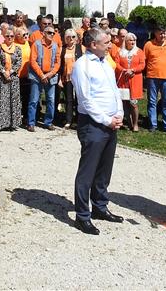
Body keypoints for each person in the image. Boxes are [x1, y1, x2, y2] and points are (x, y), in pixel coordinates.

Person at [71, 28, 125, 235]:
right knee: (88, 171)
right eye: (106, 42)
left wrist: (118, 113)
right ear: (93, 45)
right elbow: (85, 100)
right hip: (93, 124)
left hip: (111, 121)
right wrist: (106, 120)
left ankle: (100, 207)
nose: (110, 44)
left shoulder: (106, 63)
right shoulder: (82, 66)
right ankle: (82, 215)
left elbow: (114, 91)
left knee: (104, 169)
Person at [143, 25, 166, 132]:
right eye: (160, 33)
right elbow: (144, 60)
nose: (163, 35)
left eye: (164, 33)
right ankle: (153, 124)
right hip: (152, 77)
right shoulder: (148, 45)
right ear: (155, 33)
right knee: (152, 101)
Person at [27, 25, 61, 131]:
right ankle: (31, 123)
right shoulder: (36, 44)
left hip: (50, 76)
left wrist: (49, 74)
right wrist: (41, 75)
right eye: (49, 32)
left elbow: (57, 63)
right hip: (37, 76)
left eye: (53, 33)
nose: (52, 35)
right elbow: (32, 61)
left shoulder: (55, 46)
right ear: (44, 33)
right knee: (34, 100)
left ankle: (48, 122)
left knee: (51, 100)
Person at [0, 28, 23, 131]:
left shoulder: (17, 49)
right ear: (4, 36)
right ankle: (0, 124)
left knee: (13, 100)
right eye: (7, 36)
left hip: (13, 78)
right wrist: (4, 72)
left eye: (12, 36)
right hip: (2, 77)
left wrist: (11, 71)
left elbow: (19, 62)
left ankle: (12, 124)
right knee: (2, 101)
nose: (10, 38)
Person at [116, 33, 145, 131]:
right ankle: (129, 122)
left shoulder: (139, 52)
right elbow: (117, 63)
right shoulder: (120, 52)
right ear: (126, 42)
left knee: (133, 103)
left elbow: (142, 65)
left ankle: (136, 124)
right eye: (130, 40)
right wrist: (124, 70)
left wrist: (133, 70)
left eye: (134, 40)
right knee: (125, 102)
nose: (132, 42)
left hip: (135, 80)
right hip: (124, 80)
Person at [59, 29, 82, 129]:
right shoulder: (62, 49)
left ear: (76, 38)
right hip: (67, 77)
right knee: (69, 99)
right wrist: (59, 79)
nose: (71, 39)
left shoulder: (81, 48)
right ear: (65, 38)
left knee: (79, 99)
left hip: (78, 78)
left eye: (73, 37)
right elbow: (59, 65)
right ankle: (68, 120)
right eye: (68, 37)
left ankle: (78, 120)